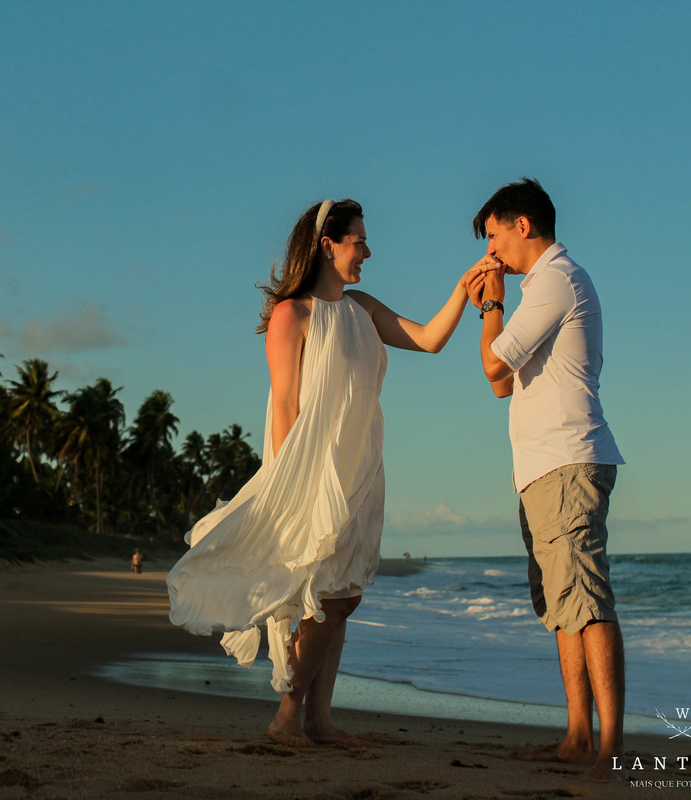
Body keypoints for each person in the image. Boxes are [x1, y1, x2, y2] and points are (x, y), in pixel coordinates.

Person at [168, 199, 480, 748]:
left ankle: (319, 719)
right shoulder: (293, 315)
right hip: (312, 473)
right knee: (330, 597)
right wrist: (295, 488)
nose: (367, 250)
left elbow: (429, 338)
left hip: (361, 464)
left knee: (344, 594)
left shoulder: (361, 309)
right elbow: (285, 404)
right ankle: (289, 718)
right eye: (358, 241)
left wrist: (464, 288)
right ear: (326, 246)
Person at [466, 177, 625, 780]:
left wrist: (490, 304)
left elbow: (490, 363)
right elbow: (503, 382)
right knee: (562, 605)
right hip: (543, 466)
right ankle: (577, 737)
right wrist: (500, 306)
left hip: (566, 459)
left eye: (493, 236)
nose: (491, 252)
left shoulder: (555, 280)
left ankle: (607, 748)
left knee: (585, 597)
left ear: (522, 226)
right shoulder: (545, 286)